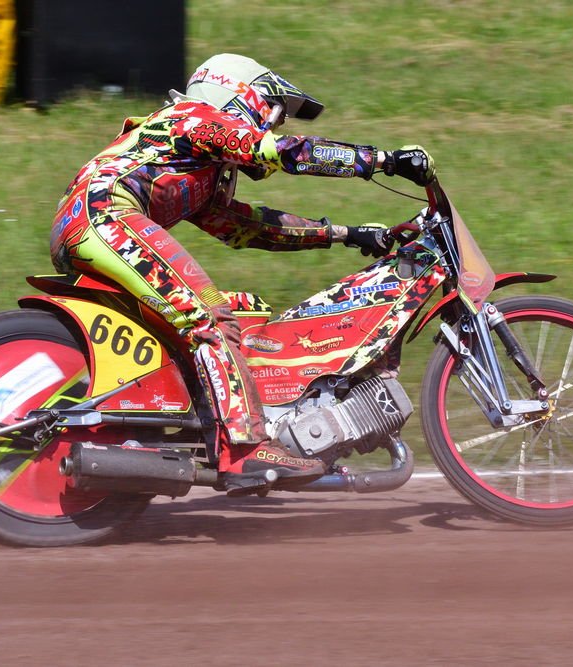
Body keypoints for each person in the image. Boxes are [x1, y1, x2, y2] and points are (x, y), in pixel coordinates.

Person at [50, 53, 435, 487]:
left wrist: (347, 234)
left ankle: (194, 422)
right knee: (209, 316)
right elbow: (285, 153)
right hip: (105, 216)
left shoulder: (195, 166)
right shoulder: (195, 118)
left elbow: (247, 227)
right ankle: (244, 451)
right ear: (239, 94)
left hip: (91, 222)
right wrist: (384, 161)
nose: (276, 123)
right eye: (274, 109)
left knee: (237, 310)